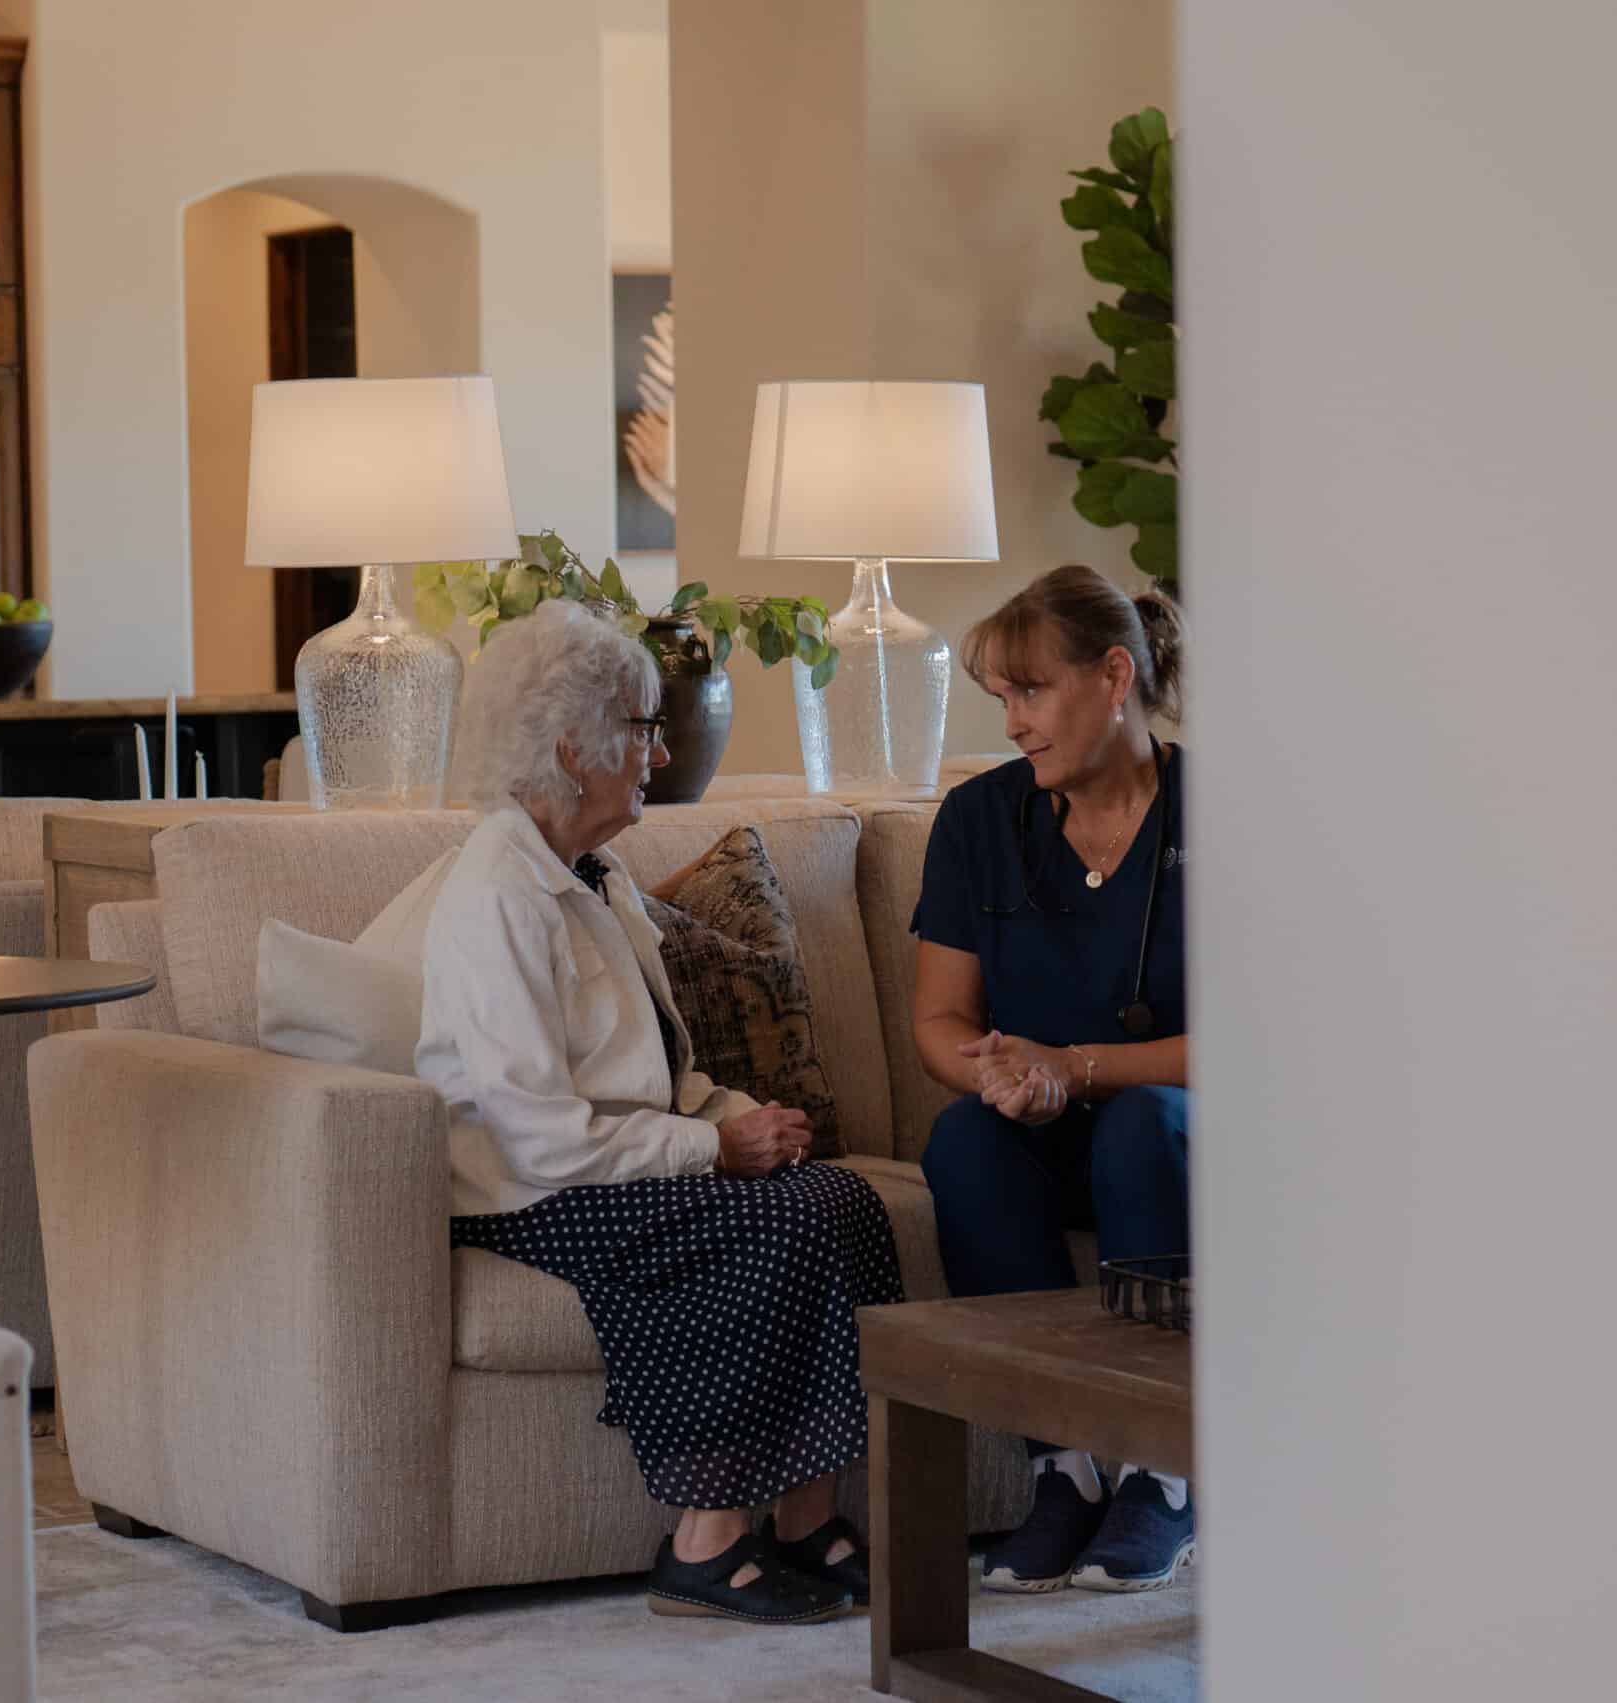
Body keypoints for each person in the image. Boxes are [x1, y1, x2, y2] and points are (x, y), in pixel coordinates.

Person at [416, 601, 901, 1626]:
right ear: (570, 746)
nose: (662, 749)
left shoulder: (596, 874)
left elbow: (655, 1070)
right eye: (643, 726)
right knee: (781, 1218)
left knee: (843, 1199)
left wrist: (739, 1115)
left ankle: (805, 1520)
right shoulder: (497, 896)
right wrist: (714, 1148)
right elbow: (537, 1131)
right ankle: (703, 1541)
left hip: (607, 1157)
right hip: (529, 1189)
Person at [911, 564, 1195, 1593]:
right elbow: (940, 1021)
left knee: (1139, 1124)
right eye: (1003, 699)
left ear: (1113, 674)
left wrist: (1073, 1069)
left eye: (1031, 690)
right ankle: (1062, 1470)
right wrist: (995, 1075)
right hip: (1039, 1123)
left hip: (1187, 1136)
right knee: (963, 1141)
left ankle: (1167, 1474)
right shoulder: (979, 819)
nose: (1015, 721)